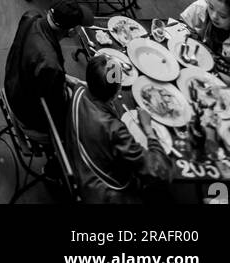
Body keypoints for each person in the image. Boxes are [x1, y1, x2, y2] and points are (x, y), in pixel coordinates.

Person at [66, 54, 172, 204]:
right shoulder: (114, 130)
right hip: (104, 194)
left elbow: (76, 82)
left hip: (77, 161)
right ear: (118, 90)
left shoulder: (79, 90)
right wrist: (148, 130)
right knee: (163, 194)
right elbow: (160, 171)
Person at [4, 0, 86, 139]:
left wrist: (63, 78)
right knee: (81, 123)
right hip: (26, 114)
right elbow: (56, 107)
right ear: (71, 31)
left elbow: (34, 64)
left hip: (13, 82)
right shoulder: (50, 63)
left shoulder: (30, 16)